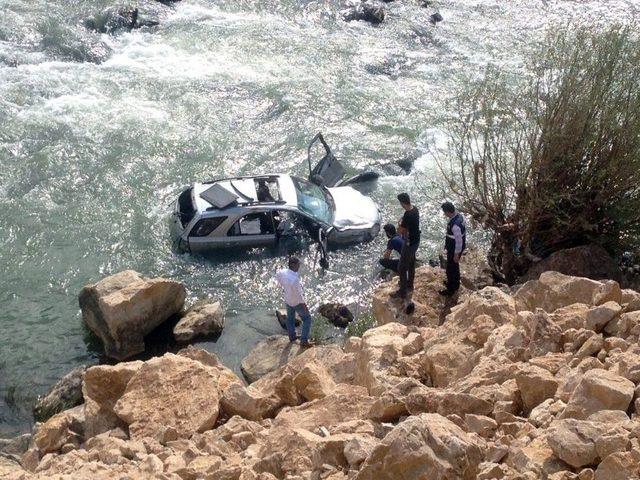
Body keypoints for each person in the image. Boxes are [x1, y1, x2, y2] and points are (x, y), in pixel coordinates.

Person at [275, 257, 314, 348]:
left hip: (288, 299)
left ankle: (292, 336)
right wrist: (304, 305)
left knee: (290, 318)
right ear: (293, 265)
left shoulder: (282, 272)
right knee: (307, 319)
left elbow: (277, 275)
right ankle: (304, 341)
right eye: (298, 264)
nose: (299, 266)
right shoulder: (294, 279)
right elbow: (299, 295)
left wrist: (284, 286)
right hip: (296, 302)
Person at [393, 193, 420, 299]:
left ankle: (402, 291)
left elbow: (399, 232)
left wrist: (399, 224)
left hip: (409, 243)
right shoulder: (415, 209)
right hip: (416, 241)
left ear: (402, 203)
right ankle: (410, 284)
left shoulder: (408, 214)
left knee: (402, 267)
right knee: (411, 263)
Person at [440, 201, 466, 296]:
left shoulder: (455, 226)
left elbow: (459, 241)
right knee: (454, 266)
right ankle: (455, 283)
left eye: (444, 212)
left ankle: (451, 289)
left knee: (450, 268)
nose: (444, 214)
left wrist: (456, 254)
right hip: (454, 246)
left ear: (448, 212)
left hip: (455, 248)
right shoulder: (458, 215)